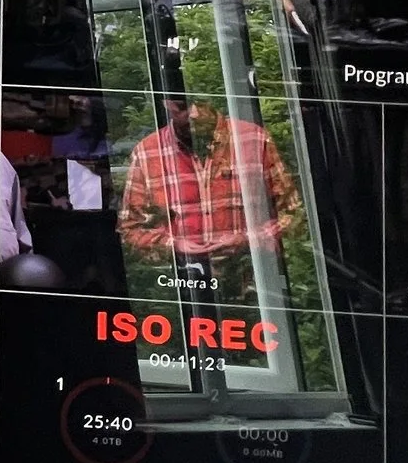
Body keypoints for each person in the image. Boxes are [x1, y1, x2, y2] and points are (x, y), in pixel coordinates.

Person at [116, 95, 302, 312]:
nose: (194, 113)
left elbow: (293, 213)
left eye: (199, 104)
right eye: (184, 107)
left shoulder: (252, 139)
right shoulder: (148, 153)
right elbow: (129, 231)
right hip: (184, 291)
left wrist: (249, 239)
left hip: (253, 284)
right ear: (167, 104)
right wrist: (174, 245)